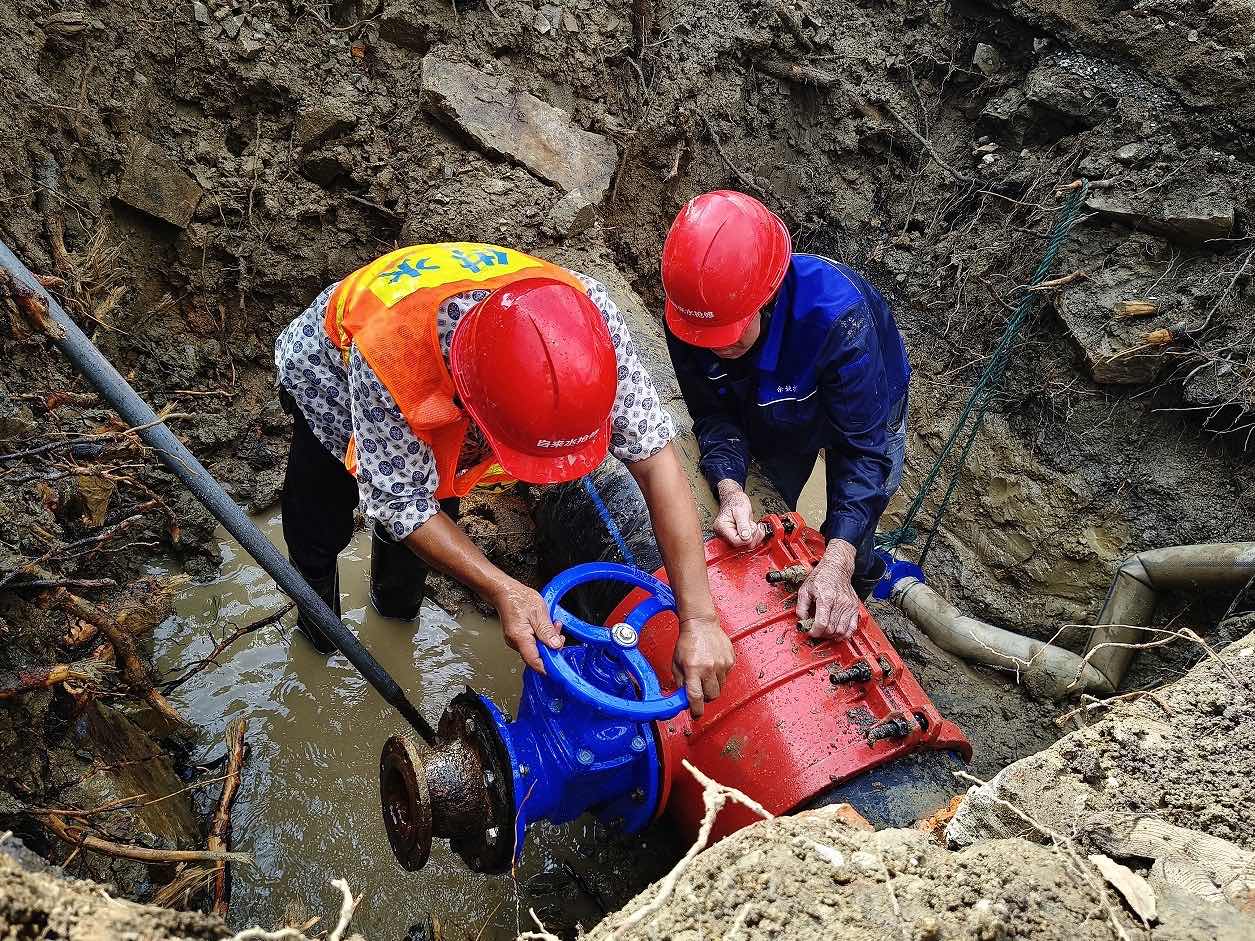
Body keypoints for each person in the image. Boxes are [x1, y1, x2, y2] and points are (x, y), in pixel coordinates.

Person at [274, 242, 733, 717]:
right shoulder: (393, 353)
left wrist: (699, 617)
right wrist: (501, 588)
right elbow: (402, 505)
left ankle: (393, 614)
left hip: (442, 379)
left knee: (424, 528)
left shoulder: (592, 327)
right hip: (330, 375)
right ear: (473, 404)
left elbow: (657, 461)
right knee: (318, 522)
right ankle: (319, 635)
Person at [662, 192, 910, 642]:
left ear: (768, 298)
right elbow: (714, 415)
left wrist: (838, 560)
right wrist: (730, 488)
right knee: (771, 501)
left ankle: (859, 586)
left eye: (730, 332)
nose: (717, 347)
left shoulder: (839, 318)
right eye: (707, 338)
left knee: (852, 533)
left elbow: (864, 451)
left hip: (868, 405)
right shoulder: (691, 319)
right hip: (775, 403)